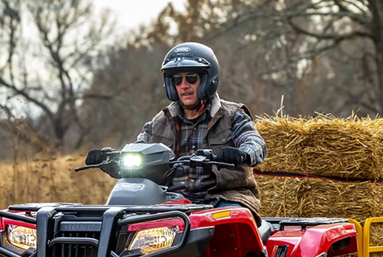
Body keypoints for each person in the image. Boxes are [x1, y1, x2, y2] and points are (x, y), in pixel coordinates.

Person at [89, 42, 267, 219]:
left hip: (223, 198)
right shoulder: (160, 121)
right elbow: (138, 151)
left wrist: (241, 153)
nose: (184, 85)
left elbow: (256, 143)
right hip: (173, 200)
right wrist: (112, 161)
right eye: (177, 80)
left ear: (208, 79)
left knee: (229, 224)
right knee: (126, 220)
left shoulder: (233, 115)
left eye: (191, 78)